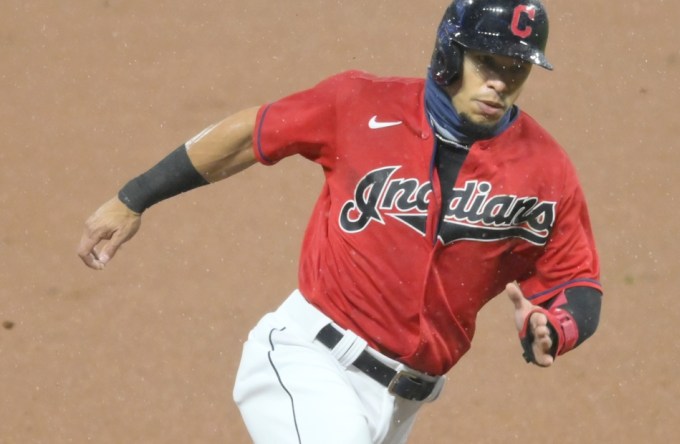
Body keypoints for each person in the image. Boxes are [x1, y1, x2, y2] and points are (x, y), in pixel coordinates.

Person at [77, 0, 603, 442]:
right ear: (449, 54)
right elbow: (250, 134)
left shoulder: (545, 169)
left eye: (515, 69)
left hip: (400, 408)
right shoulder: (359, 103)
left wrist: (555, 329)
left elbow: (576, 280)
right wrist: (134, 197)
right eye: (486, 62)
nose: (499, 83)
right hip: (311, 360)